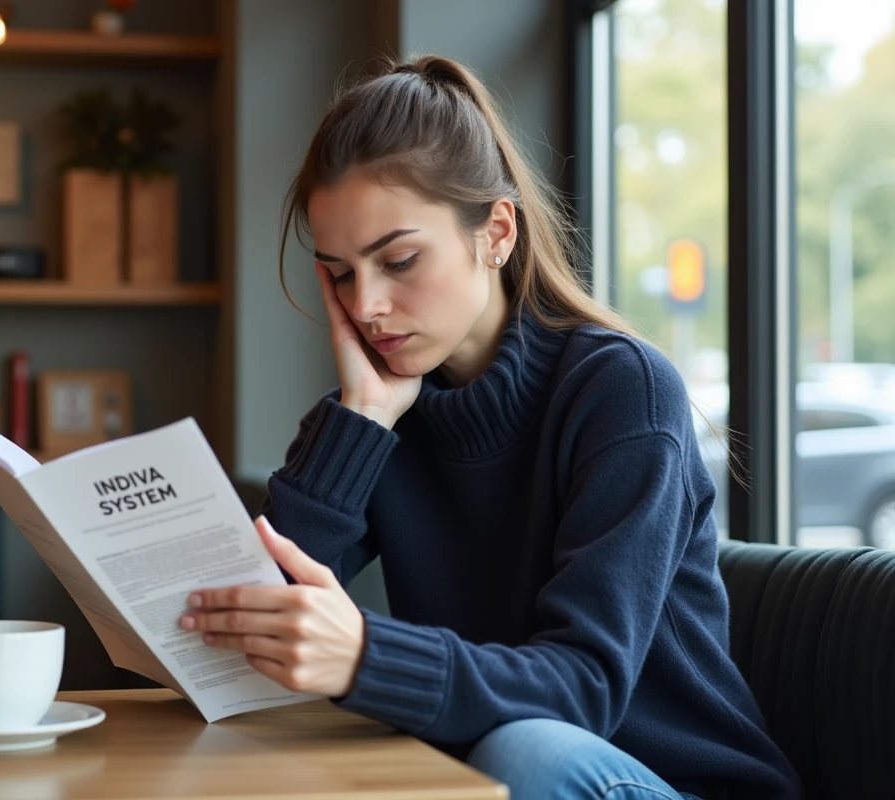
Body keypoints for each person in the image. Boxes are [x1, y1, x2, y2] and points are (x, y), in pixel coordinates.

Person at [178, 55, 801, 799]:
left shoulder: (620, 392)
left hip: (668, 783)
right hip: (478, 778)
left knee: (527, 755)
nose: (367, 304)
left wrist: (367, 658)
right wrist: (362, 422)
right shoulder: (374, 413)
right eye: (341, 273)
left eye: (399, 259)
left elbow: (584, 690)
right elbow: (247, 632)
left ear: (496, 232)